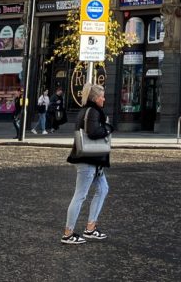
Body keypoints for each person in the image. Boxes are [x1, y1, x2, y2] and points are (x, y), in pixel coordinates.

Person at [61, 83, 112, 245]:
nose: (104, 99)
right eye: (102, 96)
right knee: (80, 195)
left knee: (103, 189)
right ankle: (68, 233)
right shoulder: (92, 112)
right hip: (88, 160)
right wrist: (108, 129)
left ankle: (90, 228)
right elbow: (93, 132)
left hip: (93, 160)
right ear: (96, 98)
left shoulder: (87, 111)